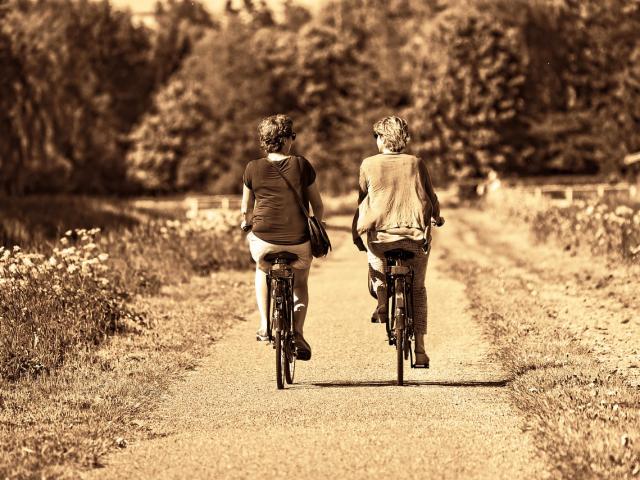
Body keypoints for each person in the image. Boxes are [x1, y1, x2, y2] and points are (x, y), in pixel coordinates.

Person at [352, 116, 443, 367]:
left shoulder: (368, 164)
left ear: (382, 137)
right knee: (418, 289)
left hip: (381, 237)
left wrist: (357, 229)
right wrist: (438, 217)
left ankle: (382, 302)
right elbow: (430, 197)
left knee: (376, 257)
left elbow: (363, 199)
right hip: (414, 236)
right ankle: (421, 351)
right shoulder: (416, 163)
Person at [241, 114, 324, 361]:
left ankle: (265, 324)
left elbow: (246, 210)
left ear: (265, 141)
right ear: (287, 139)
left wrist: (246, 223)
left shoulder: (252, 168)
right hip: (298, 240)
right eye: (293, 137)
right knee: (300, 283)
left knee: (262, 269)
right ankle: (297, 333)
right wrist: (319, 225)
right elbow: (317, 206)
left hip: (264, 238)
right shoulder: (302, 165)